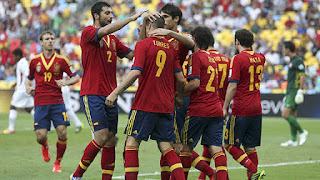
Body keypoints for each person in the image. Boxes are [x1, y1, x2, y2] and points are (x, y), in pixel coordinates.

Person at [69, 2, 147, 180]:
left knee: (111, 139)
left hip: (110, 94)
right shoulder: (88, 32)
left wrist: (143, 33)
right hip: (92, 92)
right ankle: (76, 175)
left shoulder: (114, 40)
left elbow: (133, 54)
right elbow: (104, 31)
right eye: (107, 13)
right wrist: (131, 19)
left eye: (111, 13)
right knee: (102, 136)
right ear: (96, 15)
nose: (110, 16)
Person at [106, 16, 186, 180]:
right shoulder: (172, 48)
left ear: (149, 26)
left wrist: (115, 93)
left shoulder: (143, 45)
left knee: (132, 144)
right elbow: (181, 79)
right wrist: (178, 96)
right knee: (166, 147)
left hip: (145, 103)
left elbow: (136, 72)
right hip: (166, 104)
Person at [25, 30, 80, 173]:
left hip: (57, 102)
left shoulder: (62, 60)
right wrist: (27, 86)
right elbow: (29, 77)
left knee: (62, 132)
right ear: (41, 42)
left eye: (52, 38)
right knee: (40, 136)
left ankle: (57, 163)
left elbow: (76, 77)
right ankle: (45, 146)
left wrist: (66, 83)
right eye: (47, 39)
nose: (50, 41)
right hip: (40, 102)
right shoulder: (34, 61)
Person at [179, 26, 228, 180]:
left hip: (199, 109)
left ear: (194, 40)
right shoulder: (213, 59)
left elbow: (194, 84)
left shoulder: (195, 57)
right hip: (216, 109)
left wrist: (178, 93)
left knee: (184, 148)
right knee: (216, 149)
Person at [222, 29, 266, 180]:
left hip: (241, 108)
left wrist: (225, 107)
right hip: (256, 107)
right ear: (252, 42)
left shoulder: (238, 59)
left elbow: (233, 85)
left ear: (237, 42)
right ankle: (253, 177)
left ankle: (255, 171)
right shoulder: (261, 57)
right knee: (250, 147)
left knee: (230, 145)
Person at [198, 40, 231, 180]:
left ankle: (215, 176)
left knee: (213, 144)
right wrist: (226, 107)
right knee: (211, 142)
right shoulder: (227, 60)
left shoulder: (203, 57)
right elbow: (230, 85)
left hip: (206, 103)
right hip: (221, 105)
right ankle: (204, 177)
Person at [280, 41, 308, 147]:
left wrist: (300, 90)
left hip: (294, 91)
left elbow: (302, 76)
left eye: (284, 48)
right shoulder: (292, 60)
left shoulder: (298, 61)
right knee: (292, 115)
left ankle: (302, 132)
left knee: (285, 114)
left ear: (288, 49)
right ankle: (293, 140)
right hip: (290, 91)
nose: (283, 50)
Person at [1, 48, 34, 134]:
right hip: (24, 89)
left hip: (22, 89)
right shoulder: (22, 62)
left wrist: (26, 86)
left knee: (13, 106)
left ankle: (11, 129)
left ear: (18, 56)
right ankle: (44, 124)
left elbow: (28, 74)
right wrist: (15, 83)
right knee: (29, 108)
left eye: (14, 56)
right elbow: (23, 76)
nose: (13, 58)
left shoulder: (22, 63)